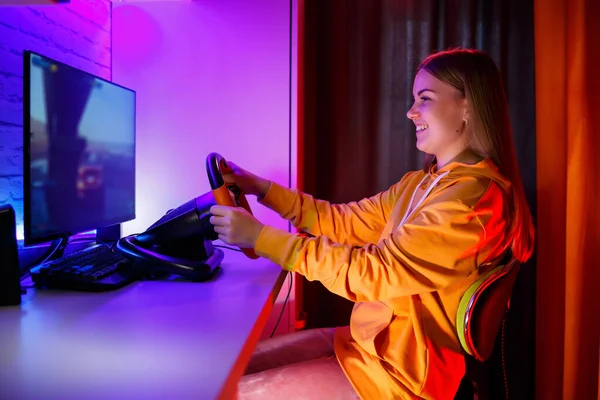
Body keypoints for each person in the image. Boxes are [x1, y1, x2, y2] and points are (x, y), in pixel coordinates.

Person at [209, 48, 535, 400]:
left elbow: (373, 274)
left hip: (399, 376)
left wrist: (261, 238)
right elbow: (342, 221)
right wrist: (261, 188)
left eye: (424, 99)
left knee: (232, 391)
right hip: (365, 346)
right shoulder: (421, 183)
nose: (411, 112)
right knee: (229, 370)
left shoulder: (472, 202)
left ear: (467, 106)